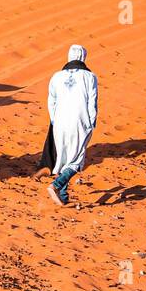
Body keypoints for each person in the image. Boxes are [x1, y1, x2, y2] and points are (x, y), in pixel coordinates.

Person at [46, 45, 98, 207]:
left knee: (64, 155)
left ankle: (63, 195)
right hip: (79, 121)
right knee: (76, 159)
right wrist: (91, 123)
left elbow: (51, 101)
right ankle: (57, 185)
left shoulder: (56, 76)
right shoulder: (90, 77)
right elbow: (92, 102)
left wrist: (54, 121)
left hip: (59, 122)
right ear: (83, 57)